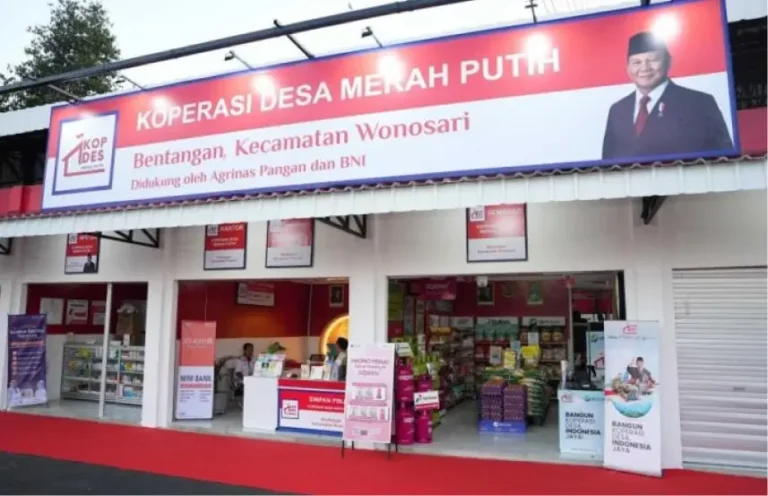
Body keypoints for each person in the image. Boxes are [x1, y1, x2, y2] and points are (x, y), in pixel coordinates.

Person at [601, 31, 733, 161]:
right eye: (637, 62)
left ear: (668, 62)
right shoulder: (617, 110)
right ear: (628, 68)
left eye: (653, 60)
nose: (645, 68)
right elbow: (607, 163)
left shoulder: (700, 103)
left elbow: (724, 158)